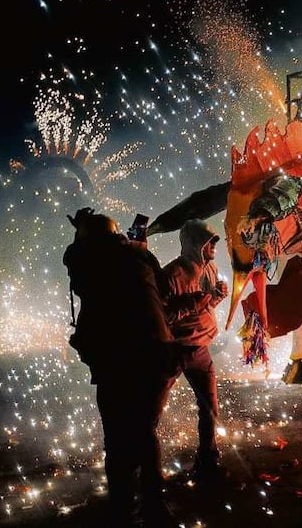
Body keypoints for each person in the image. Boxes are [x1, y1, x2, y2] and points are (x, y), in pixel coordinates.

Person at [63, 208, 176, 527]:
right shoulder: (139, 256)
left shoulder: (86, 258)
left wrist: (81, 228)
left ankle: (124, 508)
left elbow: (72, 258)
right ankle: (155, 504)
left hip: (118, 358)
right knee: (144, 430)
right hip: (157, 355)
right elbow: (164, 292)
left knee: (117, 436)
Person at [160, 219, 228, 480]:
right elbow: (163, 315)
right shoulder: (171, 276)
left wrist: (216, 297)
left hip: (200, 350)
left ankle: (208, 461)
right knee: (152, 410)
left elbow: (206, 308)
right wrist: (193, 303)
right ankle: (143, 462)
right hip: (174, 350)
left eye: (214, 240)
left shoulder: (210, 270)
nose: (214, 245)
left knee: (210, 408)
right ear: (194, 244)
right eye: (209, 241)